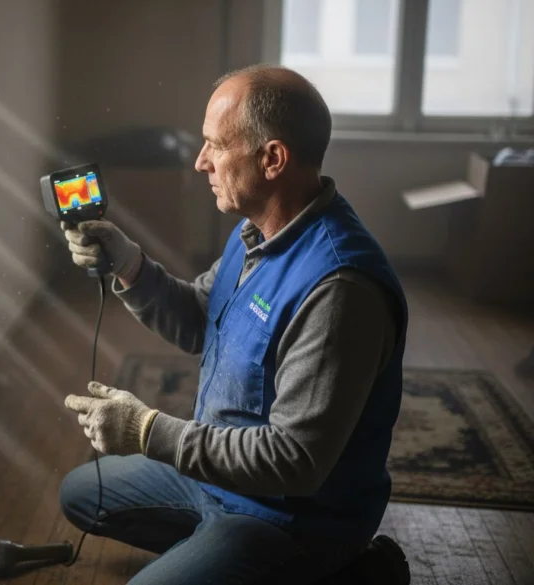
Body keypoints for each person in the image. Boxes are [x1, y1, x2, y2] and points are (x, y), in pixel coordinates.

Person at [59, 64, 411, 585]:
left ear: (272, 158)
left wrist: (147, 430)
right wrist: (128, 262)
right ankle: (221, 555)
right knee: (84, 494)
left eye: (214, 146)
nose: (201, 161)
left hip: (292, 517)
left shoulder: (340, 290)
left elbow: (295, 461)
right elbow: (203, 316)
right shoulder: (257, 231)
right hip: (218, 477)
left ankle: (346, 572)